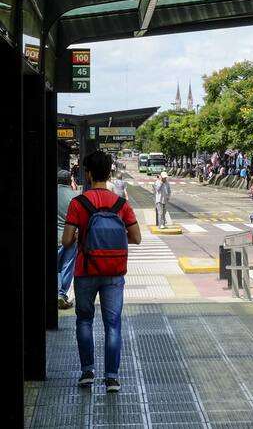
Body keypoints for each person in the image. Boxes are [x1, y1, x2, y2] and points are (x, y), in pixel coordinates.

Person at [61, 150, 141, 393]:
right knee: (113, 324)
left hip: (85, 270)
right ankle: (112, 378)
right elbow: (136, 237)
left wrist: (81, 235)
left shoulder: (78, 203)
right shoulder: (121, 204)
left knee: (84, 320)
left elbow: (66, 241)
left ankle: (87, 372)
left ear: (87, 173)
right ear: (109, 174)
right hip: (114, 272)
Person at [57, 169, 79, 309]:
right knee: (67, 266)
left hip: (54, 237)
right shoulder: (75, 196)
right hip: (71, 236)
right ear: (69, 180)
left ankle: (58, 293)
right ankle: (62, 294)